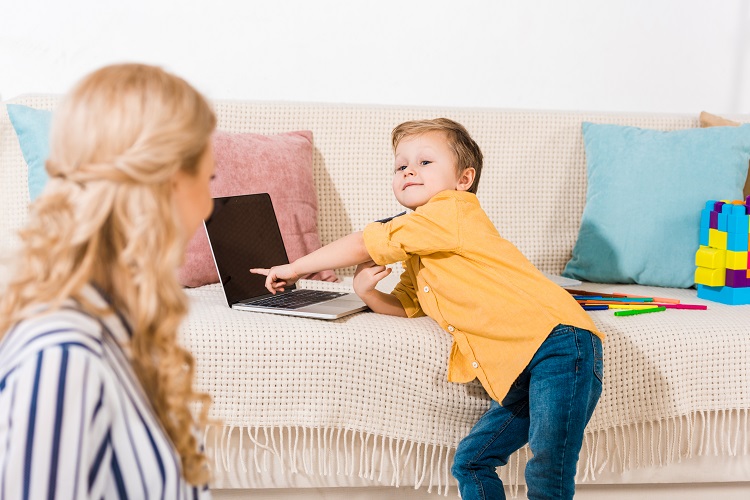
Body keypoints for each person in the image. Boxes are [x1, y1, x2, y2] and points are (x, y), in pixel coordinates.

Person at [252, 118, 605, 499]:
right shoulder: (424, 247)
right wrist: (366, 292)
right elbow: (406, 306)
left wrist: (293, 268)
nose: (408, 170)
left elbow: (367, 241)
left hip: (557, 345)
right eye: (400, 165)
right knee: (471, 460)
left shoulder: (451, 212)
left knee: (549, 465)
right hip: (519, 368)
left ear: (463, 180)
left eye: (424, 162)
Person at [0, 63, 216, 498]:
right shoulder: (61, 360)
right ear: (168, 187)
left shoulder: (113, 324)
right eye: (208, 180)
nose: (210, 205)